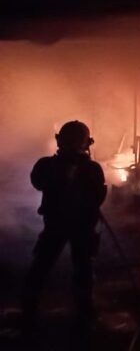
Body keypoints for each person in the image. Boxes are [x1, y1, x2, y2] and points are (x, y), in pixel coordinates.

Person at [22, 121, 107, 339]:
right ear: (87, 143)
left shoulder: (49, 165)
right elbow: (98, 197)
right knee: (81, 269)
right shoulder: (90, 168)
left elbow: (38, 182)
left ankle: (29, 313)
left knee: (44, 266)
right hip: (76, 227)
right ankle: (83, 315)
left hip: (60, 225)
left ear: (59, 140)